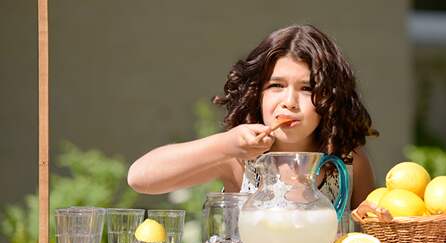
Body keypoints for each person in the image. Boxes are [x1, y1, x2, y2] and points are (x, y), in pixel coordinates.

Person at [127, 24, 379, 209]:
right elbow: (140, 178)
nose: (289, 102)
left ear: (330, 99)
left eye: (307, 89)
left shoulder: (348, 163)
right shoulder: (236, 159)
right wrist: (226, 145)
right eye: (276, 86)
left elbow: (372, 241)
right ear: (256, 94)